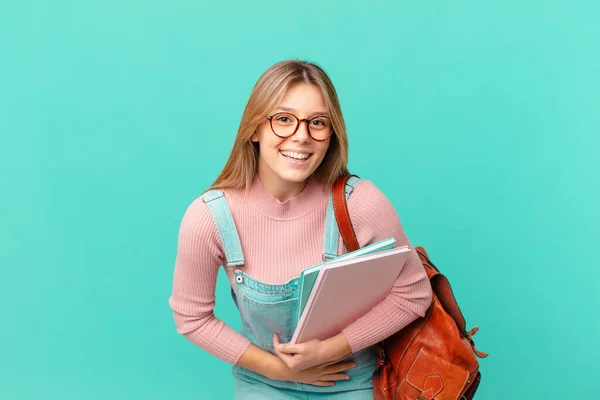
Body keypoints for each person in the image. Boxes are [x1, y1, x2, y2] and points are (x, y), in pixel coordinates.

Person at [169, 59, 433, 399]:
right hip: (262, 382)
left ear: (331, 136)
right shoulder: (209, 217)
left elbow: (414, 294)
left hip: (353, 380)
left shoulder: (360, 203)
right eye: (283, 119)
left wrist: (331, 350)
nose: (302, 137)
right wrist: (278, 370)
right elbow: (192, 318)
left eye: (317, 123)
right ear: (253, 129)